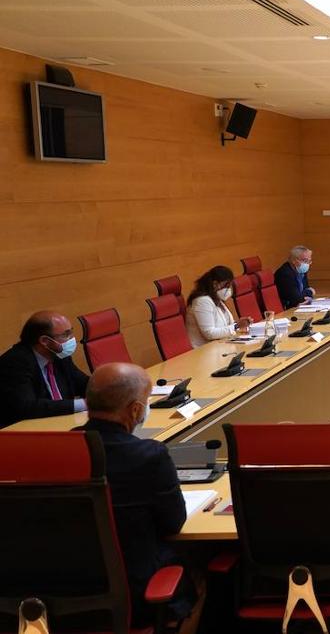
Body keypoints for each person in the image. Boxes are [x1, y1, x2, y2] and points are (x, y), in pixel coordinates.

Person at [79, 362, 197, 626]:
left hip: (62, 592)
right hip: (135, 595)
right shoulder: (148, 456)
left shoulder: (59, 450)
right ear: (135, 409)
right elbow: (173, 523)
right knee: (201, 563)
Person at [0, 311, 89, 427]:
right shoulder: (15, 362)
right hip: (23, 430)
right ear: (44, 341)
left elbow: (83, 383)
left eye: (71, 332)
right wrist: (83, 404)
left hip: (61, 423)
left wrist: (107, 391)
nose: (72, 339)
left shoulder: (59, 356)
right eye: (66, 335)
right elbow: (28, 407)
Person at [187, 265, 251, 347]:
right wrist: (236, 326)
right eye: (226, 286)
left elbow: (223, 327)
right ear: (215, 284)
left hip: (221, 345)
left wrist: (238, 323)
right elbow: (209, 333)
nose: (229, 289)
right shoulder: (202, 301)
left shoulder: (217, 299)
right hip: (205, 349)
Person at [274, 245, 316, 309]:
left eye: (309, 261)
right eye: (305, 260)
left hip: (298, 306)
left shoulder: (301, 271)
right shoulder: (285, 274)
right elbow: (297, 299)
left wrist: (308, 297)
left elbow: (305, 289)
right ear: (293, 260)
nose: (307, 264)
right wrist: (311, 292)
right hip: (286, 308)